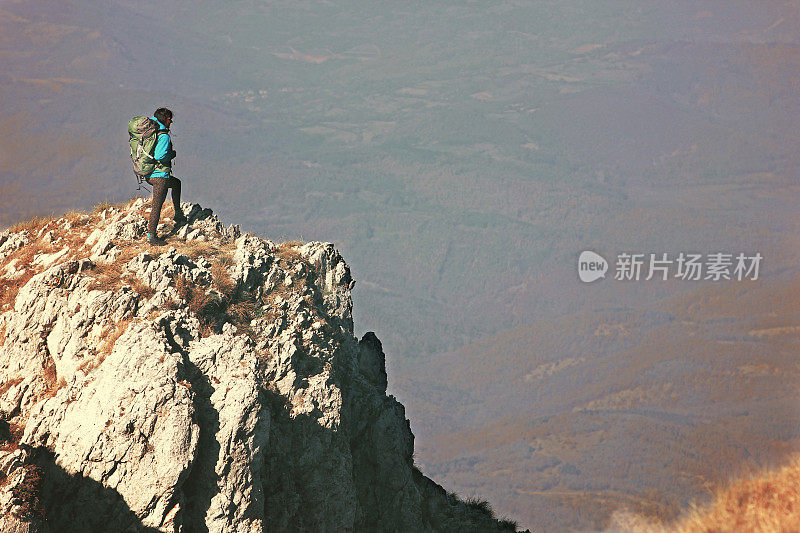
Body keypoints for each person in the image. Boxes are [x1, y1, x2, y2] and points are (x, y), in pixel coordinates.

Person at [146, 107, 186, 245]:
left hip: (149, 173)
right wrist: (172, 154)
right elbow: (160, 155)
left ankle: (178, 213)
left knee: (176, 183)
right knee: (157, 206)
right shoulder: (163, 135)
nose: (171, 121)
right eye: (170, 119)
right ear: (166, 119)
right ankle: (151, 236)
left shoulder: (151, 131)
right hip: (160, 176)